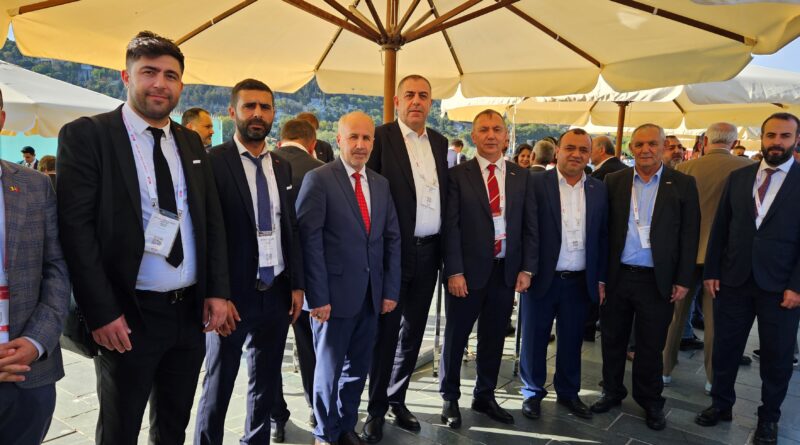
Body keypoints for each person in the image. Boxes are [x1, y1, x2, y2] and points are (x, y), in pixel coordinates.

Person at [56, 31, 229, 445]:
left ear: (181, 85)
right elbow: (76, 232)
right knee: (120, 430)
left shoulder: (190, 142)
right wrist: (101, 313)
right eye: (149, 72)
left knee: (173, 426)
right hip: (127, 316)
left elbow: (210, 220)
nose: (160, 84)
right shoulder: (89, 136)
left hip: (189, 314)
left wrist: (217, 291)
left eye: (171, 76)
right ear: (126, 76)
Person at [194, 79, 304, 445]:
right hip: (232, 297)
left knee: (266, 381)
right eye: (249, 106)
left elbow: (289, 228)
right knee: (219, 382)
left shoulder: (282, 166)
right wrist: (217, 293)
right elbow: (205, 233)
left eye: (265, 107)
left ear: (274, 114)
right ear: (232, 112)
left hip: (276, 292)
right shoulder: (213, 163)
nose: (258, 114)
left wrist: (297, 284)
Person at [296, 111, 401, 445]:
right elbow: (309, 241)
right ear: (339, 139)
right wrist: (317, 297)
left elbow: (391, 238)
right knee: (328, 372)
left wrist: (389, 290)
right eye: (353, 137)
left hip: (370, 295)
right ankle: (324, 433)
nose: (360, 144)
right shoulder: (319, 179)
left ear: (373, 142)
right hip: (331, 298)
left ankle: (345, 427)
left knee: (357, 369)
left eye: (366, 138)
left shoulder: (381, 184)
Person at [696, 112, 800, 445]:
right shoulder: (739, 177)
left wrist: (797, 285)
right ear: (762, 138)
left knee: (776, 358)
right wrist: (712, 270)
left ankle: (768, 419)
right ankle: (721, 404)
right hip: (734, 281)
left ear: (796, 140)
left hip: (780, 288)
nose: (777, 142)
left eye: (785, 136)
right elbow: (721, 227)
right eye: (771, 135)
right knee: (725, 348)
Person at [591, 123, 700, 431]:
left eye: (652, 143)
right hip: (618, 277)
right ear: (631, 148)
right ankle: (612, 390)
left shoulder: (683, 183)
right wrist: (600, 277)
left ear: (664, 146)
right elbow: (603, 232)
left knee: (651, 346)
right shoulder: (614, 180)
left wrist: (683, 279)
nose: (645, 149)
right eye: (639, 144)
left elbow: (690, 234)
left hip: (657, 281)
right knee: (612, 339)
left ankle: (650, 400)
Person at [362, 74, 448, 443]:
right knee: (385, 332)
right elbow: (368, 192)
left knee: (414, 331)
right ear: (397, 102)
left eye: (423, 95)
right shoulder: (380, 138)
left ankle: (397, 398)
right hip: (392, 253)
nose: (416, 101)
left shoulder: (440, 142)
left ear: (430, 103)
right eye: (409, 95)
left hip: (430, 252)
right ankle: (375, 409)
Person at [439, 109, 536, 428]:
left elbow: (529, 226)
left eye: (497, 129)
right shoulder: (457, 175)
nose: (491, 135)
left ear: (506, 136)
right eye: (484, 129)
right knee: (456, 338)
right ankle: (450, 398)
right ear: (473, 136)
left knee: (494, 338)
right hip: (466, 274)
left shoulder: (521, 176)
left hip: (505, 271)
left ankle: (485, 395)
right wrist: (454, 271)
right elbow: (450, 227)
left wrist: (527, 269)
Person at [519, 128, 608, 421]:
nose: (576, 154)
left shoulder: (598, 189)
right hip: (541, 277)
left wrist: (601, 278)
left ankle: (568, 393)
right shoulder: (536, 182)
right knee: (534, 339)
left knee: (572, 340)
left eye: (583, 150)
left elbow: (603, 236)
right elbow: (525, 229)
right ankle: (532, 392)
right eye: (570, 148)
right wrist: (525, 269)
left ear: (590, 154)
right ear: (557, 150)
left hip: (580, 281)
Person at [0, 87, 70, 445]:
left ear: (1, 119)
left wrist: (37, 340)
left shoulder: (36, 185)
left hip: (31, 371)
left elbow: (57, 268)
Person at [662, 123, 753, 391]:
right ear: (733, 142)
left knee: (674, 315)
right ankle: (713, 378)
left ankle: (663, 369)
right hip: (724, 255)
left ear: (705, 141)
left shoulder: (685, 167)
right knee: (716, 321)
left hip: (686, 252)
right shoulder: (748, 169)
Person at [271, 118, 325, 440]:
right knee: (310, 348)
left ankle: (276, 417)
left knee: (267, 353)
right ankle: (316, 408)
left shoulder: (265, 165)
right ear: (313, 143)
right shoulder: (322, 171)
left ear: (281, 140)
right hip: (308, 278)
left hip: (270, 275)